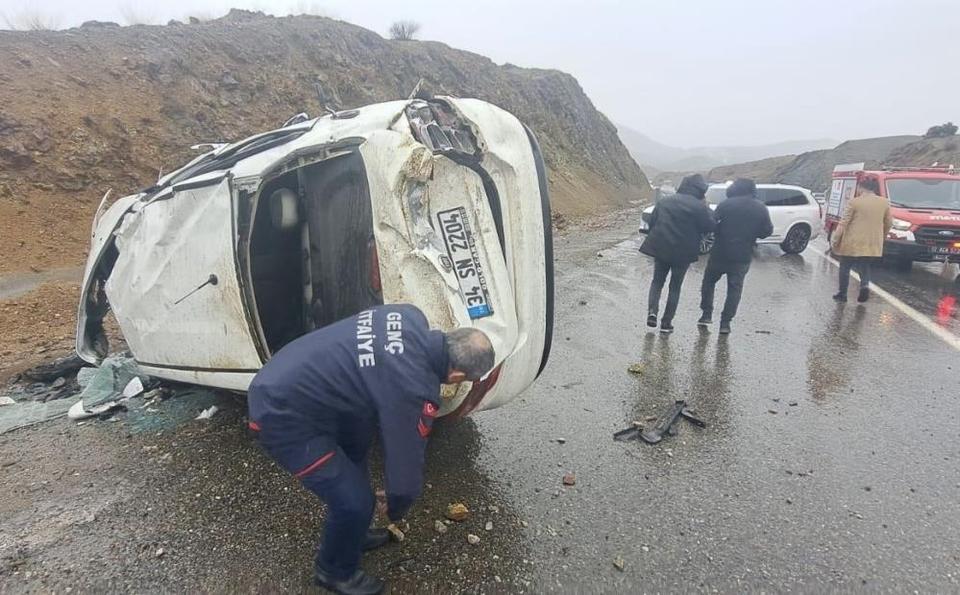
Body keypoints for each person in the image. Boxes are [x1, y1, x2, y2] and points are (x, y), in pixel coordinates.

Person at [247, 304, 495, 595]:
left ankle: (353, 533)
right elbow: (405, 465)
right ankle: (333, 572)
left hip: (293, 379)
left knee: (358, 444)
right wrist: (396, 505)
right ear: (456, 376)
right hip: (280, 413)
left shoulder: (409, 315)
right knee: (354, 502)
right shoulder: (414, 387)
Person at [640, 173, 716, 333]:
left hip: (661, 248)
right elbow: (709, 226)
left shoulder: (665, 201)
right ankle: (666, 323)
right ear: (700, 190)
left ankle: (652, 312)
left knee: (657, 282)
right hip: (683, 253)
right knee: (675, 287)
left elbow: (652, 221)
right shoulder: (699, 206)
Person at [698, 178, 773, 334]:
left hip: (720, 253)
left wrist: (720, 230)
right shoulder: (760, 207)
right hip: (742, 255)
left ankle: (706, 314)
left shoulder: (725, 204)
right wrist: (753, 233)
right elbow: (766, 231)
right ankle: (725, 323)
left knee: (708, 283)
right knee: (734, 289)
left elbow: (712, 224)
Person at [830, 177, 892, 302]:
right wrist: (882, 237)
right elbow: (889, 223)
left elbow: (843, 223)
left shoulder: (855, 202)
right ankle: (864, 285)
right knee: (864, 265)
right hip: (872, 242)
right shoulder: (884, 203)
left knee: (845, 266)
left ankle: (842, 294)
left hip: (853, 241)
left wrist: (835, 239)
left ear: (861, 188)